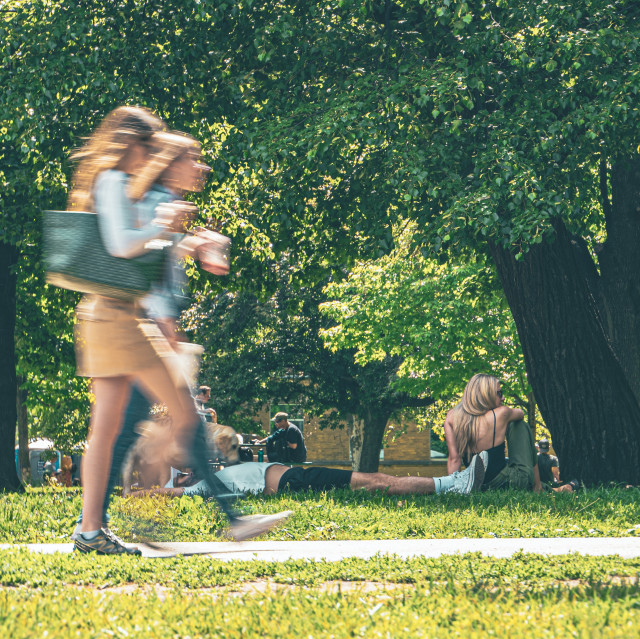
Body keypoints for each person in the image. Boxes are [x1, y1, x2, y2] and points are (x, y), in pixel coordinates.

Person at [70, 124, 287, 549]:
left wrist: (187, 242)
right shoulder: (118, 182)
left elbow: (147, 252)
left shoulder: (126, 187)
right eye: (150, 144)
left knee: (113, 430)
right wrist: (166, 229)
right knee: (175, 419)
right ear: (133, 144)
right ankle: (119, 523)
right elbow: (122, 245)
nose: (154, 153)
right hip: (122, 320)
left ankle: (91, 528)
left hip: (118, 316)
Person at [131, 449, 490, 499]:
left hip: (296, 476)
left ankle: (451, 484)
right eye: (178, 476)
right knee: (377, 482)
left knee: (376, 480)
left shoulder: (212, 475)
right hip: (294, 482)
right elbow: (165, 493)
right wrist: (134, 496)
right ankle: (451, 485)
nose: (184, 474)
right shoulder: (200, 490)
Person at [443, 374, 576, 493]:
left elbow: (454, 459)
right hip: (506, 481)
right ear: (486, 394)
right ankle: (538, 487)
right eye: (499, 393)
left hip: (479, 484)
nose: (503, 398)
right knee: (519, 424)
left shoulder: (452, 417)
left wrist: (453, 485)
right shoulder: (501, 413)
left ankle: (552, 489)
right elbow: (521, 413)